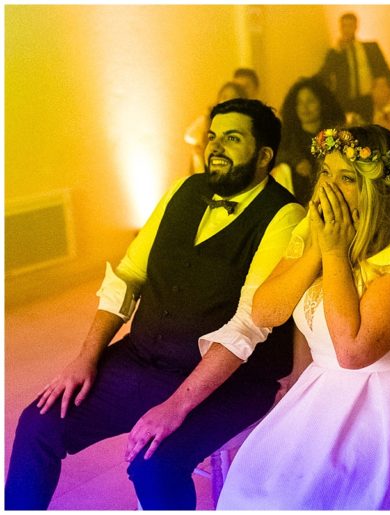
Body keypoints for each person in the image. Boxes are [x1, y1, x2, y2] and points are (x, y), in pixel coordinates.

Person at [4, 99, 306, 510]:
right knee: (38, 423)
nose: (215, 146)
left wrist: (175, 406)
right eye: (213, 136)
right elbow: (127, 276)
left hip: (230, 380)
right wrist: (84, 358)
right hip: (141, 359)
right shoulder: (183, 190)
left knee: (155, 464)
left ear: (264, 155)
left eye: (232, 139)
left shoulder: (284, 216)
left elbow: (248, 325)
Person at [216, 125, 390, 510]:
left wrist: (334, 253)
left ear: (377, 191)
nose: (328, 187)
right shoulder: (314, 234)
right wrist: (316, 249)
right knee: (256, 490)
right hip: (321, 395)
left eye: (346, 178)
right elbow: (265, 312)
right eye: (325, 172)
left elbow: (352, 351)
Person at [277, 76, 346, 205]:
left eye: (310, 101)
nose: (304, 107)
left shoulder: (335, 136)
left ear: (323, 103)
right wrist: (296, 161)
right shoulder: (286, 136)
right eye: (299, 102)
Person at [317, 12, 390, 110]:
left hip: (370, 99)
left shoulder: (371, 47)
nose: (347, 29)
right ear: (340, 28)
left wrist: (389, 95)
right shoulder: (335, 53)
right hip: (346, 101)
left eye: (350, 25)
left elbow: (385, 70)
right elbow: (325, 73)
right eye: (344, 26)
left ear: (356, 27)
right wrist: (337, 52)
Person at [184, 81, 247, 174]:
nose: (228, 100)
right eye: (224, 97)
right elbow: (189, 136)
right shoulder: (209, 119)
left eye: (233, 97)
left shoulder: (244, 125)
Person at [347, 69, 390, 136]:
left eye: (384, 88)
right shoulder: (364, 104)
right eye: (378, 87)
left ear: (389, 91)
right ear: (372, 90)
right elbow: (347, 108)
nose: (381, 92)